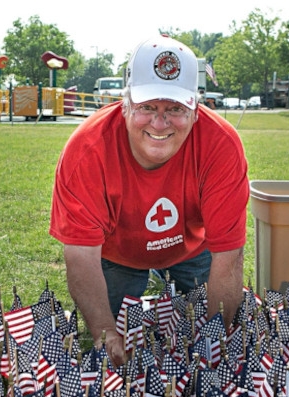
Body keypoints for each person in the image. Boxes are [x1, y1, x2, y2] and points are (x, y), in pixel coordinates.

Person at [49, 35, 249, 366]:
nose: (159, 123)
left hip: (192, 247)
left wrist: (217, 343)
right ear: (125, 104)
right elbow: (81, 257)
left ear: (196, 110)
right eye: (147, 107)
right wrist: (104, 333)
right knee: (112, 341)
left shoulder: (222, 146)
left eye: (174, 109)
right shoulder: (86, 151)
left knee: (207, 327)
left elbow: (228, 256)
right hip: (117, 252)